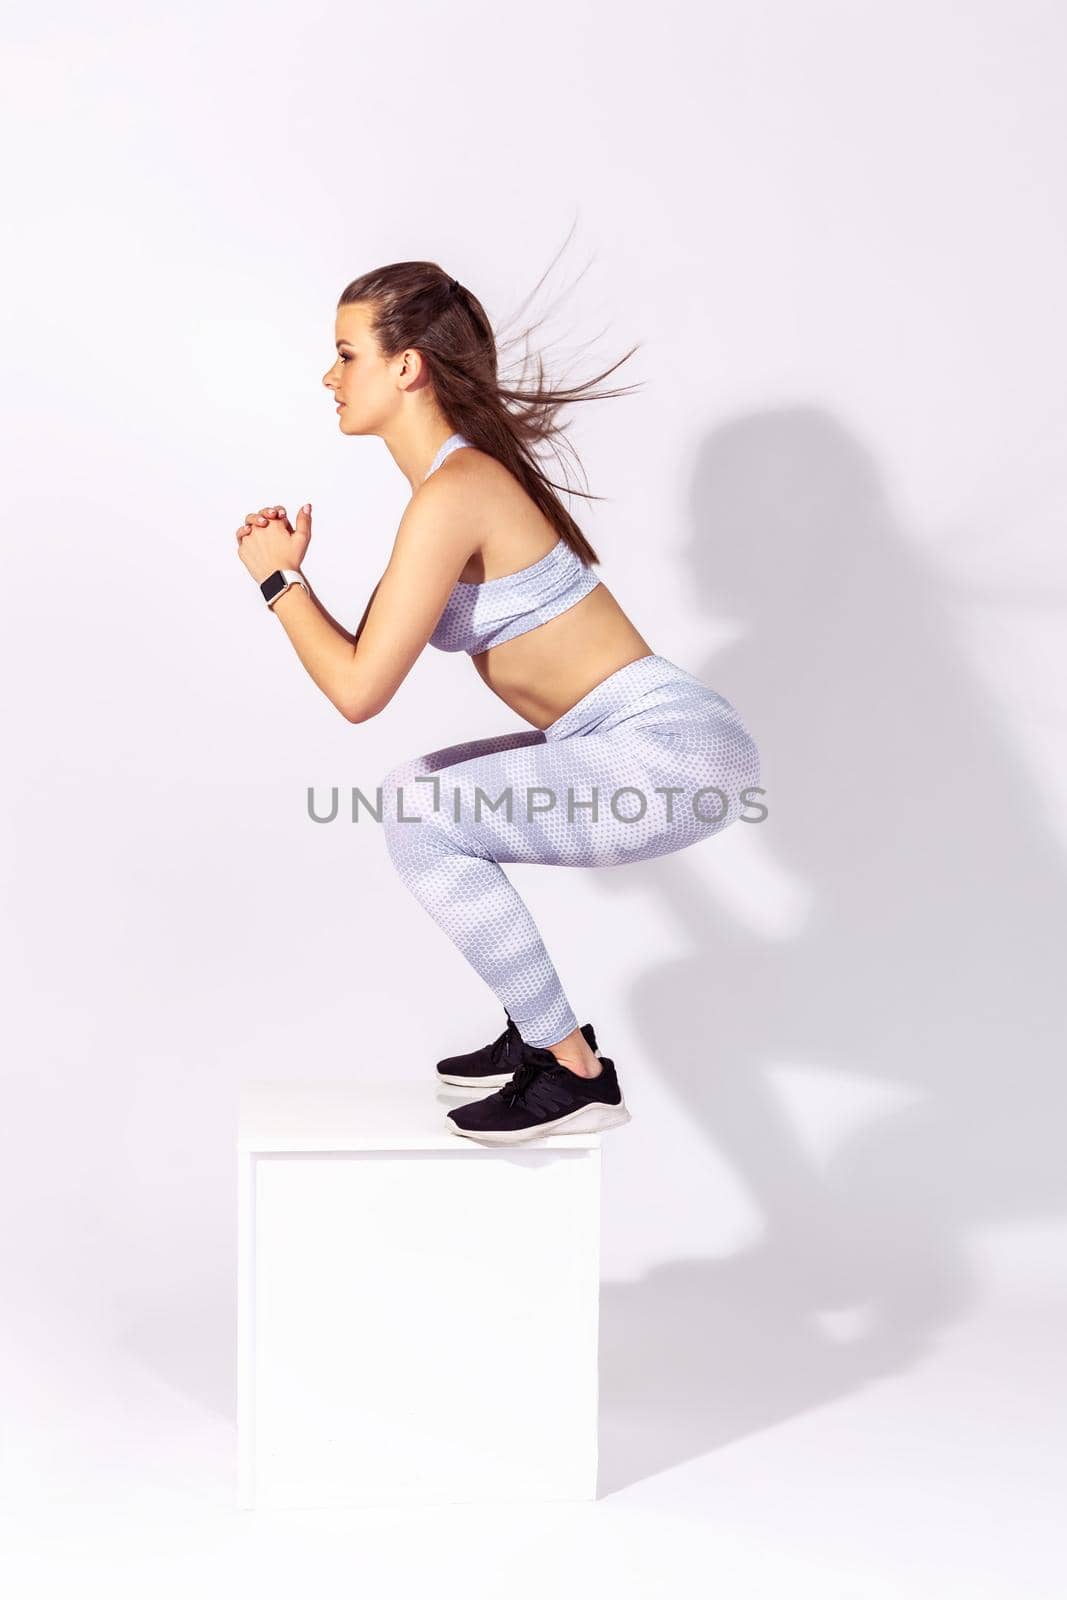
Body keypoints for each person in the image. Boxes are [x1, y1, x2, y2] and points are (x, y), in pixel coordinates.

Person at [235, 259, 762, 1146]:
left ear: (406, 367)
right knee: (414, 794)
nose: (329, 376)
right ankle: (545, 1031)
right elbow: (360, 667)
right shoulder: (447, 491)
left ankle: (571, 1071)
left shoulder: (458, 491)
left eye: (345, 353)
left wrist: (278, 582)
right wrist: (291, 577)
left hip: (671, 747)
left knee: (421, 814)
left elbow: (357, 692)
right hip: (634, 739)